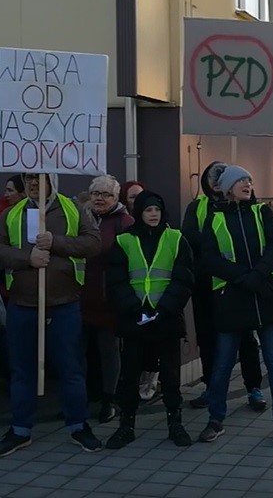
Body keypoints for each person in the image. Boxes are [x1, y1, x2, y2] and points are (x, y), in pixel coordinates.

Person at [0, 172, 103, 457]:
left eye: (39, 178)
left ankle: (78, 426)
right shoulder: (12, 213)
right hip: (23, 306)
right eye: (29, 179)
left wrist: (56, 242)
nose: (34, 184)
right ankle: (20, 429)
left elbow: (93, 243)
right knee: (22, 371)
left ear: (52, 180)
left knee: (71, 369)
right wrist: (27, 258)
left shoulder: (70, 208)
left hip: (64, 304)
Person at [197, 165, 273, 445]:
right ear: (227, 188)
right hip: (233, 297)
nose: (247, 184)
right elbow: (209, 257)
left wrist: (258, 274)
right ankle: (216, 420)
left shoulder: (261, 212)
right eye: (241, 180)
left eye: (250, 180)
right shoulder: (214, 218)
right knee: (223, 362)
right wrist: (241, 277)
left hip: (265, 294)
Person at [105, 190, 194, 448]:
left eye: (156, 209)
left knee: (170, 376)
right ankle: (126, 426)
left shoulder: (177, 239)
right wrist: (135, 308)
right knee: (130, 375)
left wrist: (163, 308)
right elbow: (116, 281)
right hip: (135, 319)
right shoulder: (124, 241)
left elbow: (184, 279)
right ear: (139, 213)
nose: (153, 214)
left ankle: (175, 424)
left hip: (166, 319)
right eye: (147, 210)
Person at [182, 161, 268, 412]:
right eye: (213, 175)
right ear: (206, 182)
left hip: (239, 283)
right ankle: (211, 387)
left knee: (246, 339)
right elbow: (190, 237)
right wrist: (215, 241)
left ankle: (254, 387)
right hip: (207, 284)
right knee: (208, 338)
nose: (218, 178)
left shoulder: (247, 205)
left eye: (223, 174)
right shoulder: (197, 207)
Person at [82, 174, 133, 423]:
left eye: (106, 194)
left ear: (116, 198)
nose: (100, 199)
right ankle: (83, 398)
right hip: (80, 296)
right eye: (95, 193)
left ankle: (109, 400)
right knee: (81, 351)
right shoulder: (81, 218)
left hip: (108, 300)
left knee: (108, 351)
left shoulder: (125, 222)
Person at [119, 179, 159, 400]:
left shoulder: (167, 234)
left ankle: (151, 381)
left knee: (155, 348)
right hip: (133, 305)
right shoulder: (125, 233)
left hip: (159, 305)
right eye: (132, 197)